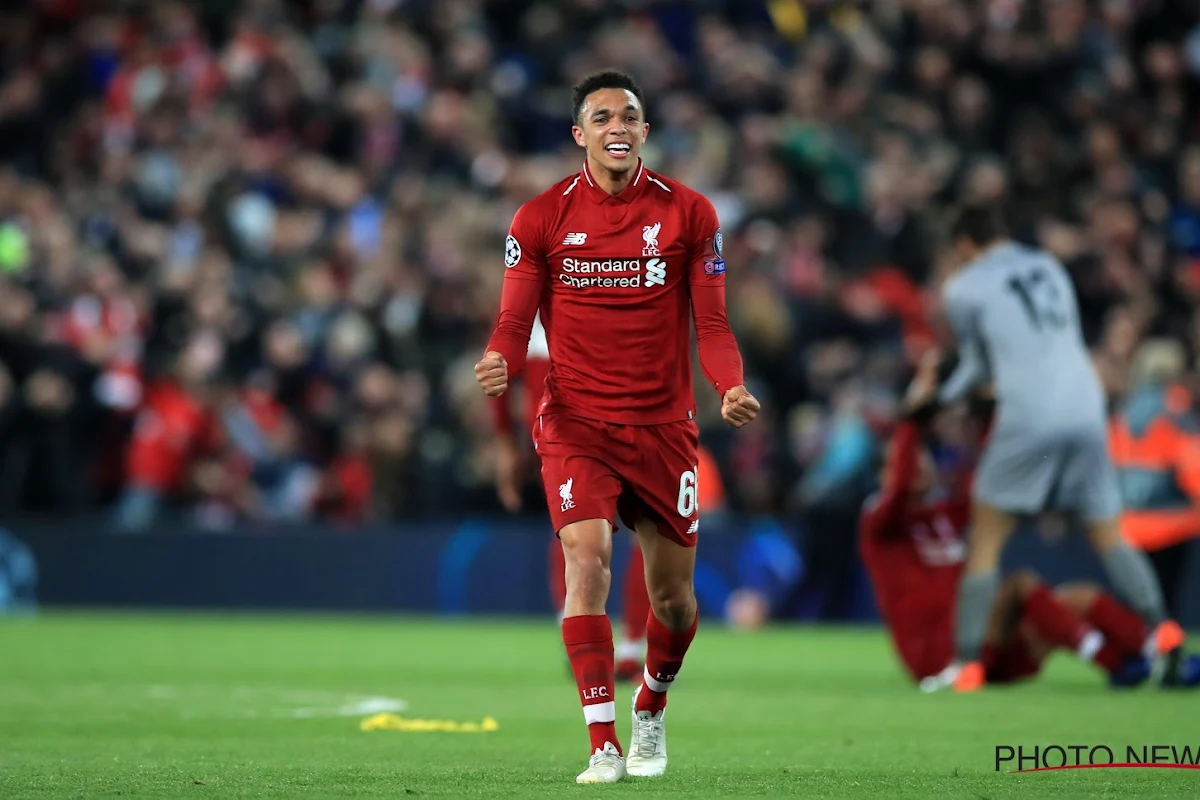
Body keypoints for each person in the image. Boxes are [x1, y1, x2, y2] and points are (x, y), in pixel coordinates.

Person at [475, 70, 759, 784]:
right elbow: (513, 322)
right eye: (602, 117)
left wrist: (730, 386)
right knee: (588, 561)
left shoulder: (690, 214)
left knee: (674, 600)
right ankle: (601, 740)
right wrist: (498, 361)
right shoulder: (539, 218)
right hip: (576, 424)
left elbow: (714, 323)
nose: (617, 127)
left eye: (629, 116)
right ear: (581, 135)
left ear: (645, 131)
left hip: (664, 427)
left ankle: (651, 707)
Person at [935, 205, 1184, 692]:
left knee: (986, 538)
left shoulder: (964, 287)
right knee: (1109, 534)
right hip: (1086, 403)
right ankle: (1162, 629)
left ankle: (966, 663)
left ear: (965, 245)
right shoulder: (1049, 267)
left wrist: (934, 400)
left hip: (1030, 409)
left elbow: (976, 366)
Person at [861, 352, 1200, 691]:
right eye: (910, 462)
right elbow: (902, 487)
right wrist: (911, 420)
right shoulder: (879, 521)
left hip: (982, 640)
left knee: (1080, 596)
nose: (922, 467)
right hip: (934, 655)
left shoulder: (940, 516)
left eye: (924, 461)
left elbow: (985, 484)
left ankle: (1158, 656)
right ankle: (1115, 662)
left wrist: (989, 415)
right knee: (1018, 586)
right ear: (886, 474)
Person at [488, 312, 651, 680]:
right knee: (631, 532)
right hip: (606, 418)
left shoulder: (532, 294)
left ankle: (589, 642)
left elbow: (498, 363)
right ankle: (624, 648)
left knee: (575, 532)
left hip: (565, 427)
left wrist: (505, 442)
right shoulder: (608, 280)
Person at [1108, 339, 1200, 620]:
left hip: (1125, 526)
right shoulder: (1177, 411)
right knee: (1167, 606)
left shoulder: (1122, 410)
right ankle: (1164, 654)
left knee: (1135, 606)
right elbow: (1192, 467)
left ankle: (1139, 657)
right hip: (1171, 525)